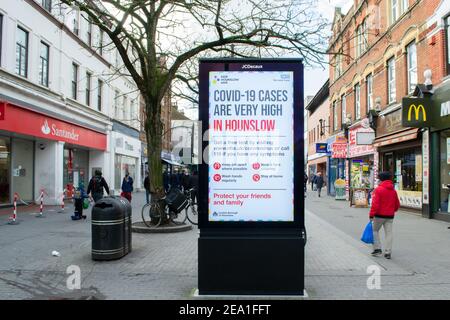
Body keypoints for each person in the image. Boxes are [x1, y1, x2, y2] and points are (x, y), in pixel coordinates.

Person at [369, 171, 400, 259]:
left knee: (374, 231)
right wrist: (393, 210)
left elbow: (375, 204)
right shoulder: (393, 190)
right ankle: (388, 252)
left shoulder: (378, 190)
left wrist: (371, 215)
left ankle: (377, 249)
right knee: (389, 233)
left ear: (381, 179)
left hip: (379, 215)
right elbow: (397, 204)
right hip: (390, 216)